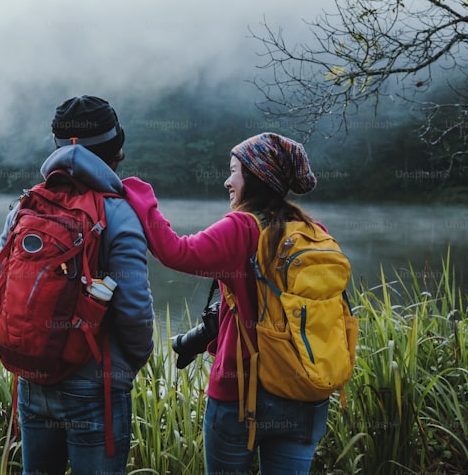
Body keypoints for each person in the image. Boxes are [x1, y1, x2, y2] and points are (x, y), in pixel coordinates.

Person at [123, 132, 330, 474]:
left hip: (243, 393)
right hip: (304, 392)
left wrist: (140, 195)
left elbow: (176, 251)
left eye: (233, 170)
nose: (226, 181)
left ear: (255, 176)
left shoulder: (243, 227)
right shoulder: (313, 230)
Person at [3, 95, 155, 475]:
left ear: (56, 144)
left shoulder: (26, 206)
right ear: (115, 150)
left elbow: (8, 287)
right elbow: (135, 310)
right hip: (98, 387)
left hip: (33, 380)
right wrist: (129, 364)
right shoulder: (119, 213)